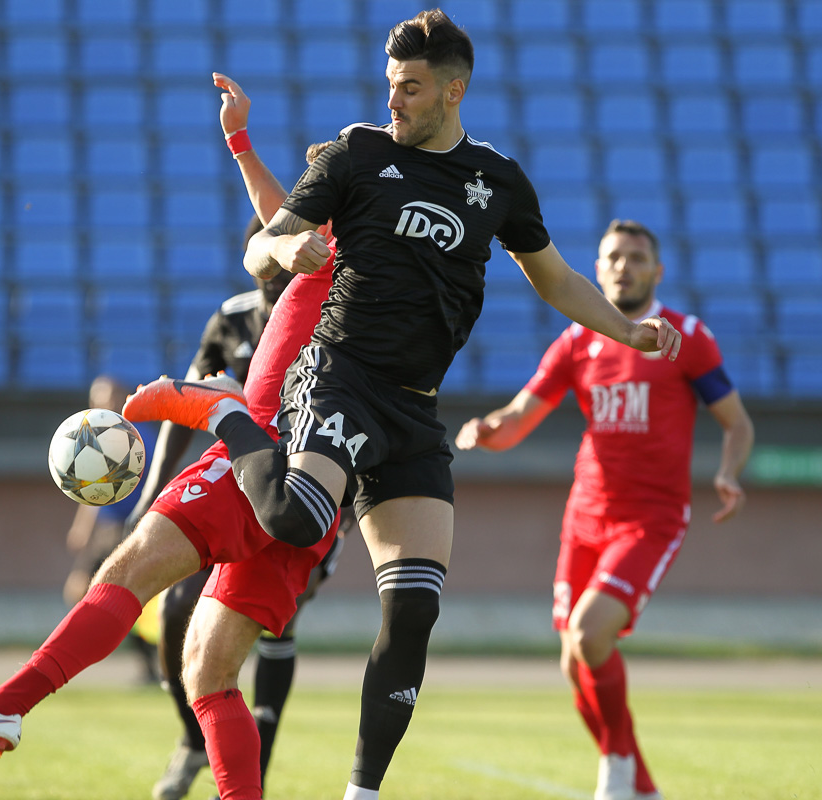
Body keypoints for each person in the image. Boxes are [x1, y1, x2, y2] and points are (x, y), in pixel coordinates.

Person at [123, 11, 681, 800]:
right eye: (391, 84)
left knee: (415, 609)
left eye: (411, 88)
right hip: (340, 380)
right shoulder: (357, 154)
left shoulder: (497, 181)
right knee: (296, 518)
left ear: (454, 91)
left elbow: (554, 277)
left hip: (414, 413)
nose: (394, 101)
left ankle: (363, 794)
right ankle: (229, 417)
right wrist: (283, 247)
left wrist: (626, 331)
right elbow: (259, 246)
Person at [0, 77, 343, 800]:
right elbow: (277, 218)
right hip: (320, 482)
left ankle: (5, 706)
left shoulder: (340, 257)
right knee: (210, 674)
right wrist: (239, 143)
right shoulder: (347, 258)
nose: (299, 202)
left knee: (128, 571)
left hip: (261, 451)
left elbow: (283, 228)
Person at [455, 219, 755, 800]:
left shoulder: (686, 337)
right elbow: (519, 417)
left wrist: (727, 473)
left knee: (591, 636)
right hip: (586, 516)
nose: (624, 266)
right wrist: (487, 430)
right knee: (574, 661)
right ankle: (640, 785)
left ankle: (616, 767)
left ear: (657, 271)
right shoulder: (577, 341)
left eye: (637, 258)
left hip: (651, 519)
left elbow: (737, 423)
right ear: (597, 269)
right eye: (614, 257)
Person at [135, 83, 345, 800]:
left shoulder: (343, 291)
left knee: (271, 624)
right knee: (177, 613)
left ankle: (256, 765)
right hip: (240, 475)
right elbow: (189, 406)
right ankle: (194, 743)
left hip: (311, 480)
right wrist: (152, 497)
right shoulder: (235, 316)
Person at [62, 374, 162, 685]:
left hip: (135, 528)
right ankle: (86, 650)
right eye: (97, 399)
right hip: (107, 530)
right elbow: (90, 488)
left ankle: (150, 665)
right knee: (79, 590)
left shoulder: (140, 438)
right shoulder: (89, 438)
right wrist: (81, 527)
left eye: (109, 399)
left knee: (135, 600)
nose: (102, 405)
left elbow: (160, 481)